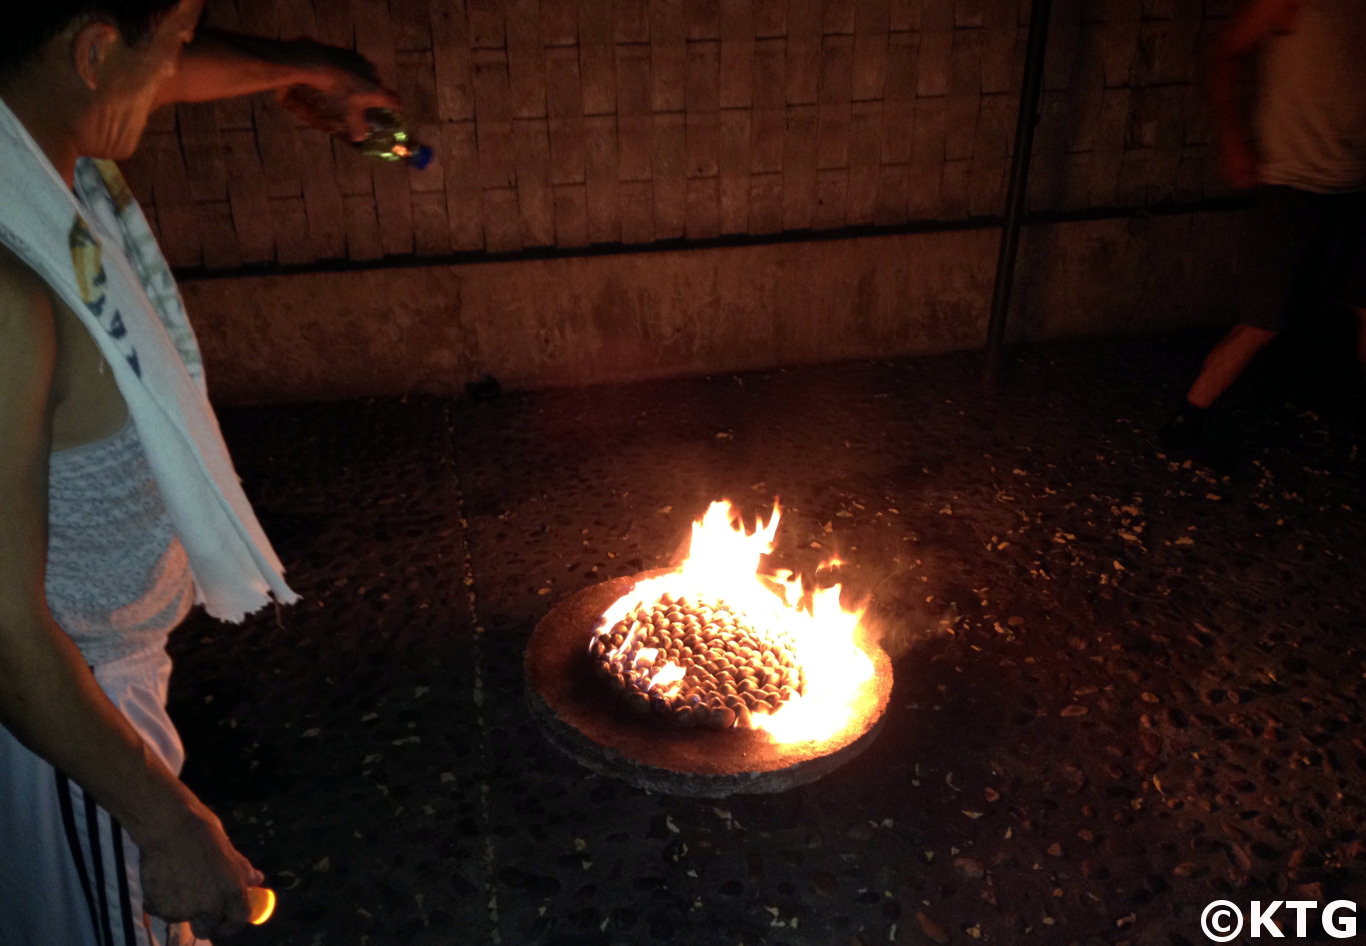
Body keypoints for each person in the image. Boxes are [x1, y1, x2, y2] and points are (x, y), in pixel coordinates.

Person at [0, 3, 399, 943]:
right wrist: (163, 821)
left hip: (103, 685)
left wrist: (304, 66)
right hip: (67, 724)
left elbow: (145, 69)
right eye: (175, 40)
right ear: (94, 51)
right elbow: (6, 633)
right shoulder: (12, 293)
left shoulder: (39, 143)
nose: (180, 67)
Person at [1161, 0, 1366, 461]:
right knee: (1261, 321)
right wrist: (1235, 140)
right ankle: (1186, 420)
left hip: (1356, 182)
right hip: (1293, 181)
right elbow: (1225, 51)